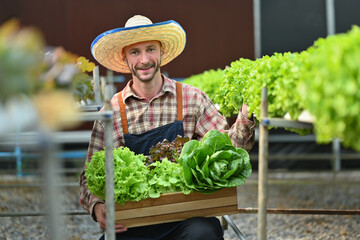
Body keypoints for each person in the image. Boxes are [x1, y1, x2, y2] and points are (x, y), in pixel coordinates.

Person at [80, 15, 255, 240]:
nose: (144, 60)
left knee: (204, 234)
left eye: (150, 49)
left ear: (162, 51)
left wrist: (246, 114)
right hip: (135, 222)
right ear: (125, 58)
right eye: (135, 52)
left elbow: (228, 152)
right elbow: (89, 175)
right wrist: (97, 207)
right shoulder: (111, 112)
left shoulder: (192, 98)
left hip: (188, 218)